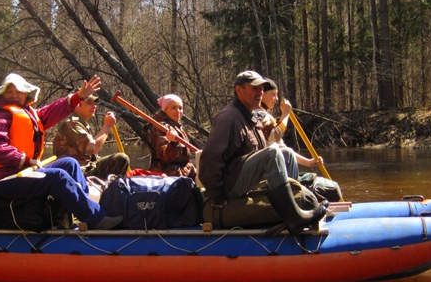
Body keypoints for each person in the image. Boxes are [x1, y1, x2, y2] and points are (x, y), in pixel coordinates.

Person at [0, 72, 123, 230]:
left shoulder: (28, 113)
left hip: (25, 172)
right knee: (57, 177)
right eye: (9, 92)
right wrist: (26, 160)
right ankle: (96, 219)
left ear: (26, 94)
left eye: (18, 92)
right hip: (6, 180)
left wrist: (78, 96)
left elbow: (52, 111)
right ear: (2, 95)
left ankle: (80, 211)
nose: (13, 96)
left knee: (70, 164)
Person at [198, 70, 327, 235]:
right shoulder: (229, 118)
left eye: (261, 89)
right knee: (272, 153)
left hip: (242, 175)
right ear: (239, 90)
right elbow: (210, 159)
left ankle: (296, 203)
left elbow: (265, 144)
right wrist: (215, 194)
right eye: (254, 89)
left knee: (285, 153)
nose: (260, 93)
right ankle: (293, 217)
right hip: (229, 184)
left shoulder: (252, 116)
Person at [259, 78, 343, 202]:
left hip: (277, 169)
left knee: (332, 188)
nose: (276, 99)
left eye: (277, 94)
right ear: (262, 95)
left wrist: (309, 162)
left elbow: (281, 146)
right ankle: (296, 201)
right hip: (270, 173)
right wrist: (286, 114)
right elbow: (276, 137)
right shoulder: (261, 115)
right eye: (273, 94)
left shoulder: (267, 116)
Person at [52, 94, 131, 180]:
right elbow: (93, 149)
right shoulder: (72, 125)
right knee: (121, 159)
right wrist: (107, 125)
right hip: (76, 172)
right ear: (77, 106)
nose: (94, 106)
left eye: (95, 103)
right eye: (89, 103)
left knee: (119, 160)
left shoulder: (81, 124)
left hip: (87, 166)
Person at [142, 94, 197, 180]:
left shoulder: (177, 126)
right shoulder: (160, 128)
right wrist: (173, 143)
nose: (178, 111)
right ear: (165, 109)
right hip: (166, 174)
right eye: (173, 108)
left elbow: (184, 157)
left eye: (180, 108)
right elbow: (165, 157)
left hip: (183, 170)